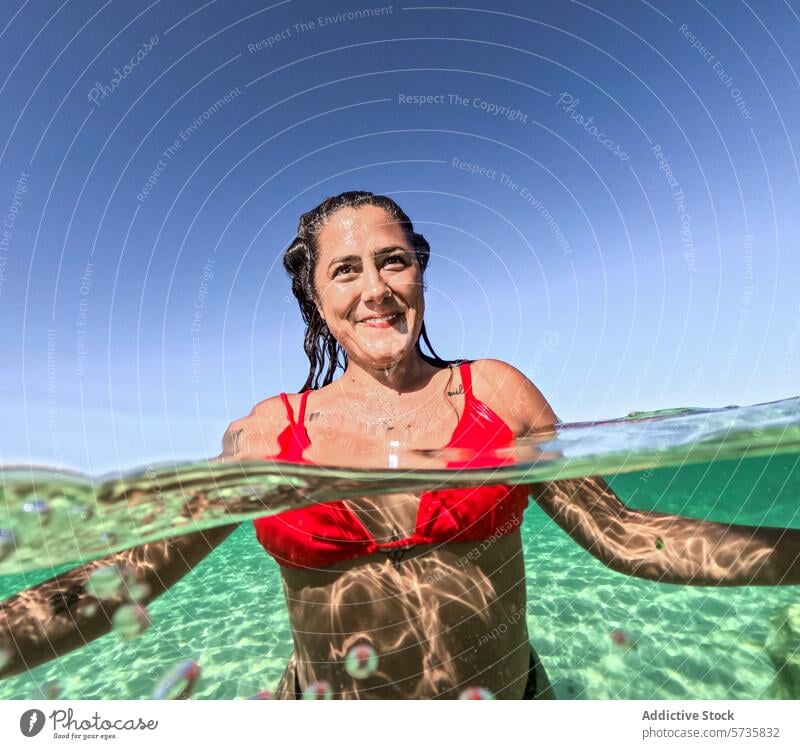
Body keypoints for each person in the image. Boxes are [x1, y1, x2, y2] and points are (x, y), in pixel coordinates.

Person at [2, 191, 799, 698]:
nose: (376, 287)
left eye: (394, 260)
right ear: (317, 302)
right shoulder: (266, 433)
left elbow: (629, 538)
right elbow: (122, 584)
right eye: (345, 270)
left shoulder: (498, 394)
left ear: (420, 272)